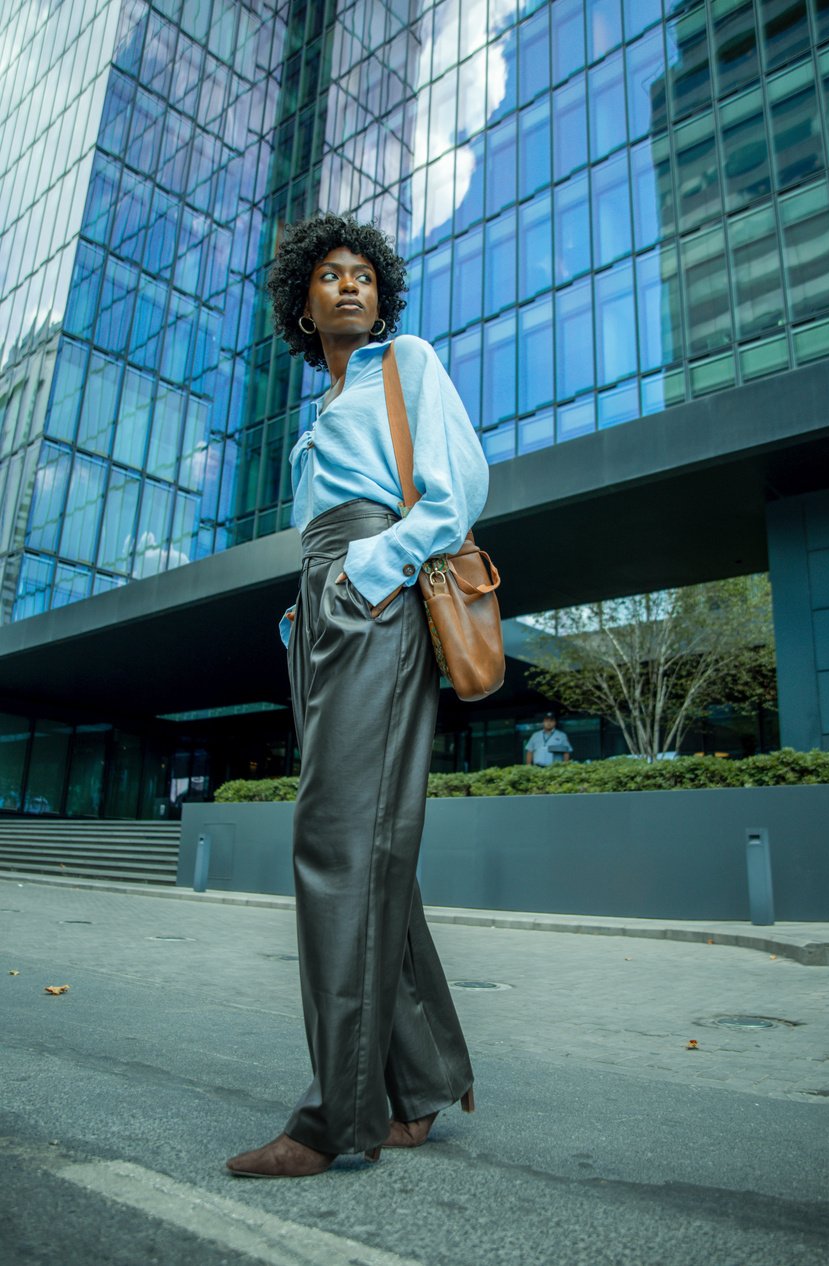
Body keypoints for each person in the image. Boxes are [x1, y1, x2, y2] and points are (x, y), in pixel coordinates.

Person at [226, 213, 487, 1178]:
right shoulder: (314, 422)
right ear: (303, 303)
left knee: (336, 845)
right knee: (368, 848)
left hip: (374, 599)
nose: (349, 286)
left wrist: (366, 574)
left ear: (382, 298)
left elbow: (456, 491)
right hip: (324, 622)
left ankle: (336, 1117)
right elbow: (315, 539)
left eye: (363, 275)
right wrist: (306, 618)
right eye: (328, 276)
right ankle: (418, 1087)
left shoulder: (404, 364)